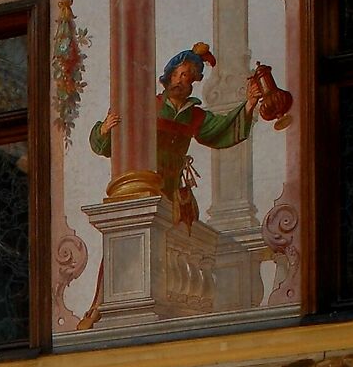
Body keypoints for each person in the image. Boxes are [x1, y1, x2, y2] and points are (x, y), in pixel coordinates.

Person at [90, 41, 260, 229]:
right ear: (169, 77)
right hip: (145, 183)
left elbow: (221, 127)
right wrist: (104, 129)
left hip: (172, 189)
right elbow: (117, 140)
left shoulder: (193, 114)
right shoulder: (150, 105)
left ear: (193, 79)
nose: (178, 80)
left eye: (185, 75)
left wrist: (249, 104)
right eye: (175, 74)